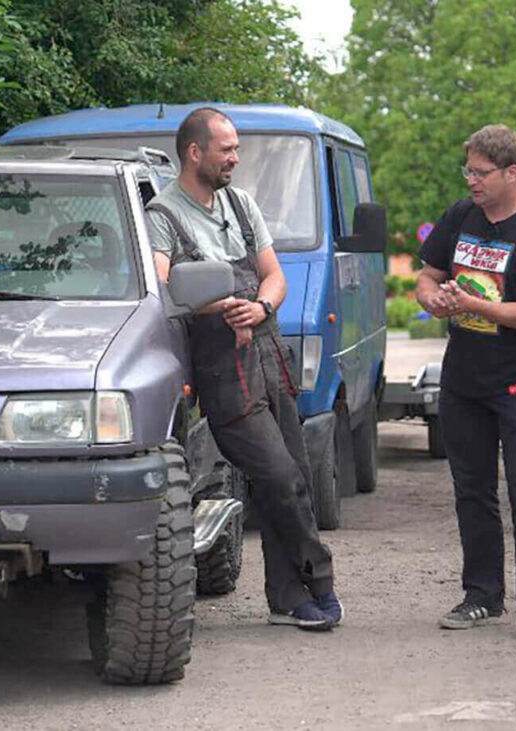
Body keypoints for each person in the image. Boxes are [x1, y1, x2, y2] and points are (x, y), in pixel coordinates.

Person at [146, 107, 340, 631]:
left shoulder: (241, 203)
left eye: (235, 148)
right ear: (195, 153)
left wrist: (262, 307)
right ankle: (320, 579)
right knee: (279, 478)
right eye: (227, 149)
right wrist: (222, 305)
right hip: (222, 365)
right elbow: (164, 289)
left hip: (267, 348)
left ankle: (288, 599)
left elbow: (273, 276)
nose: (236, 157)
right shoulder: (163, 214)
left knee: (292, 477)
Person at [416, 124, 516, 642]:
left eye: (481, 172)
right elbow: (427, 274)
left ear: (512, 172)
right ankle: (482, 596)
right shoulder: (461, 216)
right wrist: (430, 297)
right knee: (472, 490)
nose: (471, 181)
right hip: (464, 376)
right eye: (468, 170)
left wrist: (473, 303)